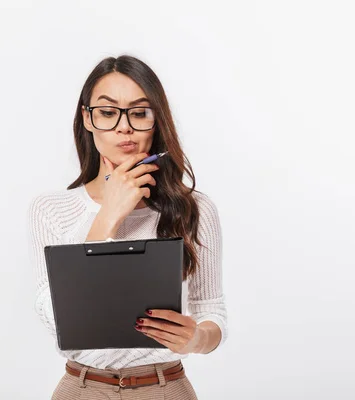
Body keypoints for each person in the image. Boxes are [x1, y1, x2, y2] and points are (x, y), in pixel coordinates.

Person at [28, 55, 227, 399]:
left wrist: (197, 338)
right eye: (108, 113)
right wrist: (108, 216)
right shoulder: (51, 209)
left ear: (157, 121)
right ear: (87, 119)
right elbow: (55, 319)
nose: (125, 127)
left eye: (139, 112)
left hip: (165, 387)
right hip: (83, 388)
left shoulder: (195, 209)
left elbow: (212, 311)